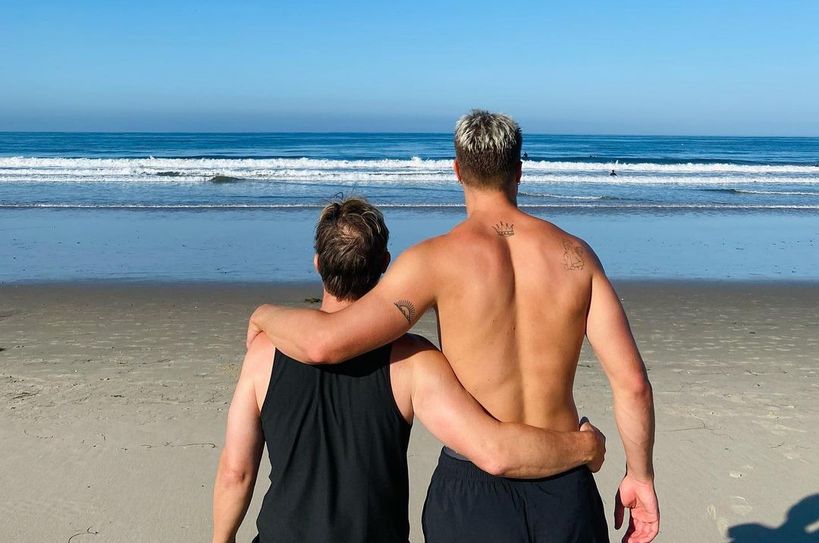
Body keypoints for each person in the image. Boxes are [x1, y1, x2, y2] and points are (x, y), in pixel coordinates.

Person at [247, 111, 660, 543]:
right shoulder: (576, 257)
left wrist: (263, 315)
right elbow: (632, 383)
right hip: (563, 481)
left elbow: (324, 344)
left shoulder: (435, 261)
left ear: (457, 170)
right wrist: (640, 476)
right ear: (519, 169)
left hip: (473, 491)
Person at [214, 196, 606, 543]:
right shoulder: (413, 361)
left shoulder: (263, 354)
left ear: (317, 263)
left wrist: (222, 538)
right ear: (385, 265)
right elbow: (493, 449)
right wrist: (583, 446)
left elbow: (237, 471)